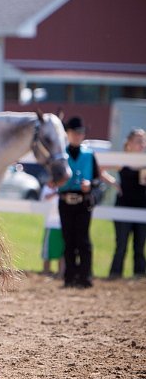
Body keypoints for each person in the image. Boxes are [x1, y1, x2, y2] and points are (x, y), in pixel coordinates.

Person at [57, 116, 115, 288]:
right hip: (65, 200)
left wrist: (90, 185)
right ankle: (70, 277)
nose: (78, 135)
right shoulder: (61, 154)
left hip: (83, 202)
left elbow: (97, 180)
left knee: (83, 240)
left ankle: (85, 277)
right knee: (68, 240)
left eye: (80, 133)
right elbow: (53, 177)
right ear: (67, 133)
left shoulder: (90, 155)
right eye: (74, 132)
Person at [108, 128, 146, 279]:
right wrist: (114, 183)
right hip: (123, 207)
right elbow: (99, 167)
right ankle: (115, 275)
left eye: (143, 141)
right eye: (138, 141)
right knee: (121, 245)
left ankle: (139, 276)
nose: (142, 144)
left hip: (142, 208)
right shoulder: (122, 160)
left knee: (139, 246)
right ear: (129, 143)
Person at [40, 183, 65, 277]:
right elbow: (45, 198)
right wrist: (56, 192)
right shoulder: (47, 188)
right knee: (48, 251)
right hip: (51, 224)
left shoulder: (64, 188)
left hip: (63, 225)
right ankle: (46, 271)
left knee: (62, 251)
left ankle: (61, 273)